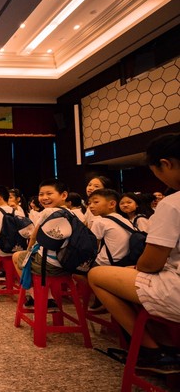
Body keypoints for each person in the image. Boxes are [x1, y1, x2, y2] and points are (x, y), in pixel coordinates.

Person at [88, 133, 180, 374]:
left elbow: (151, 263)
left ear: (165, 164)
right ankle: (168, 346)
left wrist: (137, 268)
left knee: (96, 275)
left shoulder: (172, 204)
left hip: (176, 290)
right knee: (131, 278)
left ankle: (153, 351)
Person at [12, 178, 74, 308]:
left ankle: (36, 295)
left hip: (49, 265)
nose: (44, 197)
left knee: (18, 257)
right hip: (67, 264)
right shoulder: (71, 213)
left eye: (49, 194)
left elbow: (34, 236)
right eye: (41, 194)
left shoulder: (47, 211)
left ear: (63, 195)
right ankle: (47, 296)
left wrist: (28, 252)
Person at [87, 188, 134, 267]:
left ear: (112, 204)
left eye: (96, 202)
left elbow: (91, 247)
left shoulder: (100, 221)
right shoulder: (125, 220)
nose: (91, 206)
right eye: (89, 203)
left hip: (104, 263)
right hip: (124, 262)